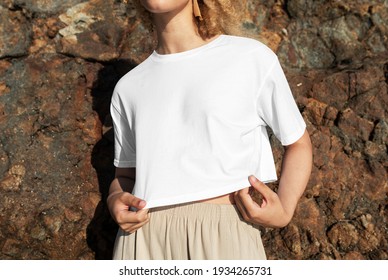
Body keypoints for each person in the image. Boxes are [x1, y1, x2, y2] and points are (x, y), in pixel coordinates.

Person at [107, 0, 312, 260]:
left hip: (223, 232)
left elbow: (298, 143)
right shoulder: (128, 87)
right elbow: (125, 174)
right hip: (140, 241)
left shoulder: (250, 58)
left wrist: (284, 209)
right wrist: (115, 198)